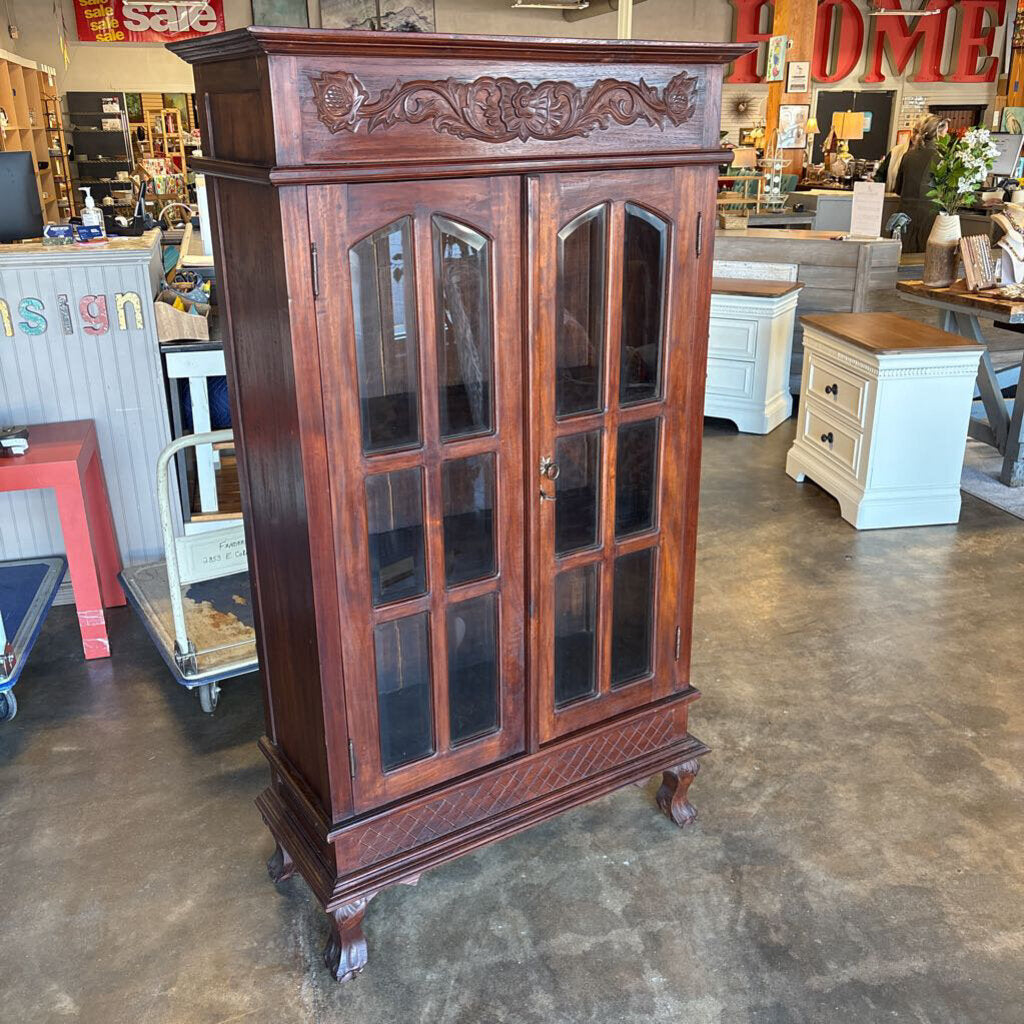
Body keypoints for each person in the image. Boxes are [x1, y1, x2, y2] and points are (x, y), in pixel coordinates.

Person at [895, 115, 949, 253]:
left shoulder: (908, 156)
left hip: (904, 216)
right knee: (922, 261)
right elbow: (947, 193)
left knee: (902, 259)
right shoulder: (940, 159)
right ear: (939, 133)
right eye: (946, 132)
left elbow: (898, 189)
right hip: (928, 218)